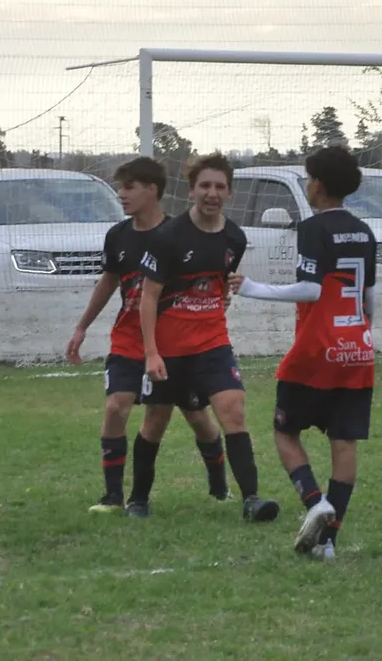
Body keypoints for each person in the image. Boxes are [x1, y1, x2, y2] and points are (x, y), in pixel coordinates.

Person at [231, 145, 376, 563]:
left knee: (285, 432)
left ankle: (315, 503)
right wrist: (357, 334)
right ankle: (328, 542)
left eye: (310, 178)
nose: (308, 184)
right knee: (344, 442)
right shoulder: (364, 231)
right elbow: (369, 299)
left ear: (319, 184)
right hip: (358, 350)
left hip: (317, 349)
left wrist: (252, 288)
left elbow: (311, 290)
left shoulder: (313, 228)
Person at [66, 157, 231, 515]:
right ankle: (113, 496)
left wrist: (222, 297)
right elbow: (109, 281)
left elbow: (212, 282)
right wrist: (82, 327)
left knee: (196, 417)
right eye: (120, 188)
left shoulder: (181, 233)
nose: (121, 195)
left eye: (129, 187)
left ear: (152, 189)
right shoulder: (118, 236)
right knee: (116, 406)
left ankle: (219, 483)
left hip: (171, 343)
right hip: (128, 340)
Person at [137, 152, 280, 523]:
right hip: (169, 349)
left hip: (212, 344)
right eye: (205, 186)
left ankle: (251, 500)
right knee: (155, 423)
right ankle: (138, 499)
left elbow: (220, 284)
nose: (212, 193)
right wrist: (151, 353)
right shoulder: (168, 237)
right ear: (191, 190)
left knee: (233, 410)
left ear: (229, 193)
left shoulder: (236, 238)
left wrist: (222, 298)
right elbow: (148, 297)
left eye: (219, 186)